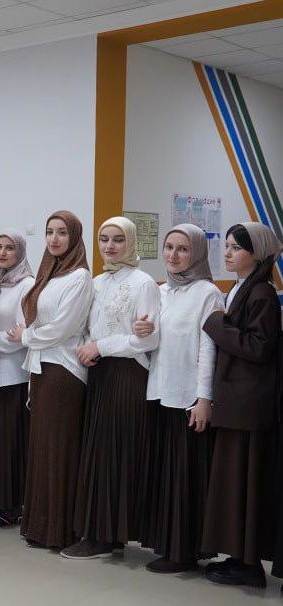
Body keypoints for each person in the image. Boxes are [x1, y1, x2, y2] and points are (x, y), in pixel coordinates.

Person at [61, 217, 161, 560]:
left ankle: (105, 535)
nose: (110, 246)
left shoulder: (143, 283)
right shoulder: (98, 282)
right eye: (104, 239)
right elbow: (91, 329)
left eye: (118, 239)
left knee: (115, 455)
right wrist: (89, 349)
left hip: (127, 376)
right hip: (100, 373)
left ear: (130, 242)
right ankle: (104, 532)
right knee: (98, 453)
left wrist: (100, 347)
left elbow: (148, 340)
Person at [137, 224, 223, 573]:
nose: (173, 255)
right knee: (164, 474)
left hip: (188, 398)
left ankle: (185, 551)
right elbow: (154, 346)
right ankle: (166, 544)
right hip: (160, 391)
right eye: (169, 247)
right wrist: (143, 333)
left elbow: (208, 349)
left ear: (197, 253)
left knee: (185, 476)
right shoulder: (161, 291)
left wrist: (204, 399)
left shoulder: (208, 294)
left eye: (183, 249)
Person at [202, 223, 281, 588]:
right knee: (233, 484)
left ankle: (248, 564)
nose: (228, 253)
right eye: (228, 246)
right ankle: (238, 557)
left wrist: (216, 324)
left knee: (244, 484)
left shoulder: (262, 292)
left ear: (257, 253)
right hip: (235, 400)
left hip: (248, 404)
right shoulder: (241, 287)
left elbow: (258, 348)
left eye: (236, 247)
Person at [13, 211, 93, 550]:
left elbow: (63, 328)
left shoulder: (79, 277)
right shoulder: (49, 272)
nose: (54, 239)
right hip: (43, 367)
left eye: (62, 232)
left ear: (74, 237)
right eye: (49, 232)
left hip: (64, 370)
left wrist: (26, 336)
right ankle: (39, 526)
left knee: (59, 449)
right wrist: (31, 336)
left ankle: (60, 531)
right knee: (42, 449)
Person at [0, 230, 35, 528]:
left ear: (21, 253)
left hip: (13, 376)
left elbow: (19, 336)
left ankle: (12, 505)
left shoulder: (26, 285)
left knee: (10, 444)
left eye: (9, 248)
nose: (2, 253)